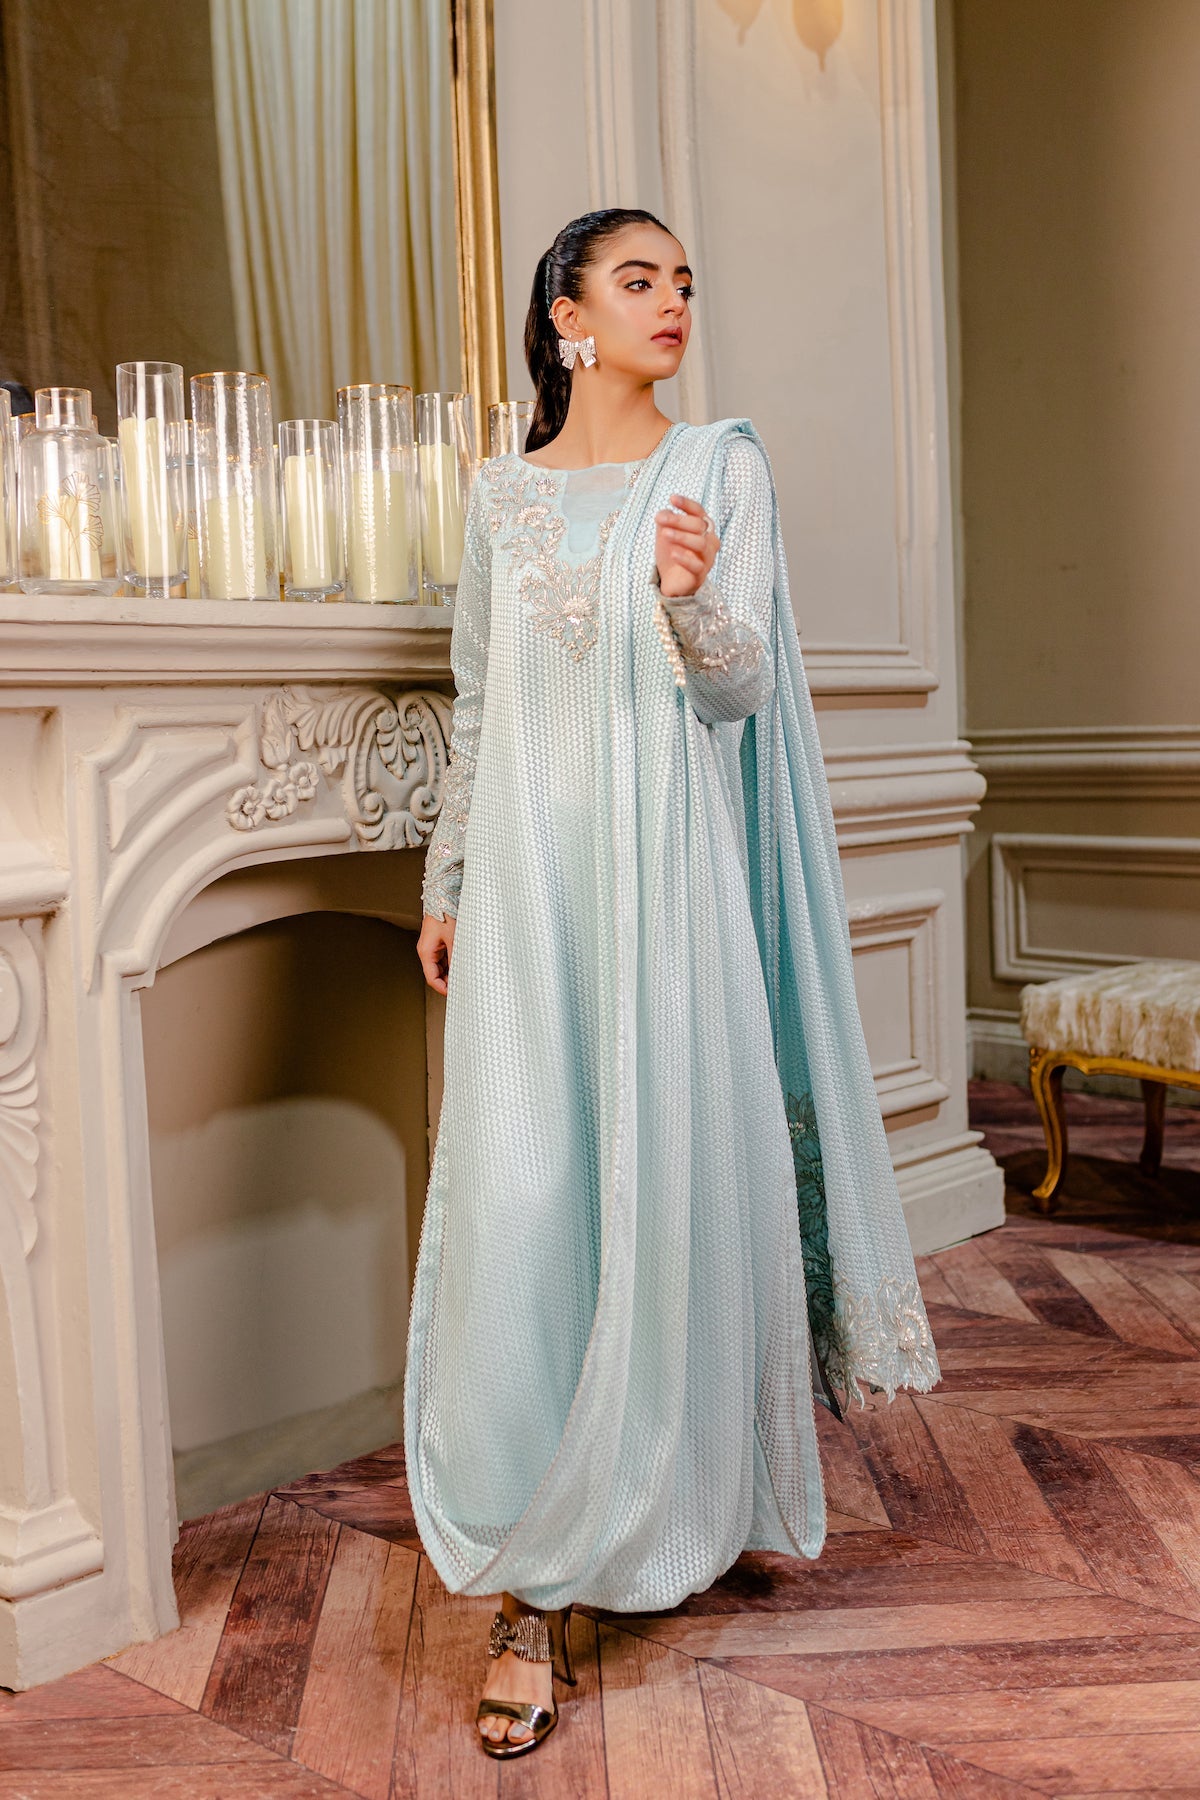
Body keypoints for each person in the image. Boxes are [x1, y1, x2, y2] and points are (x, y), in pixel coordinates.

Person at [408, 206, 940, 1759]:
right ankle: (529, 1562)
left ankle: (657, 1521)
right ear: (565, 316)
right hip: (528, 901)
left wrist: (693, 599)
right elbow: (480, 704)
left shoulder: (719, 466)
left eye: (685, 282)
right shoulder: (501, 496)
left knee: (669, 1196)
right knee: (521, 1206)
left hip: (668, 892)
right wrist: (446, 882)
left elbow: (743, 685)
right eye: (637, 280)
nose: (673, 304)